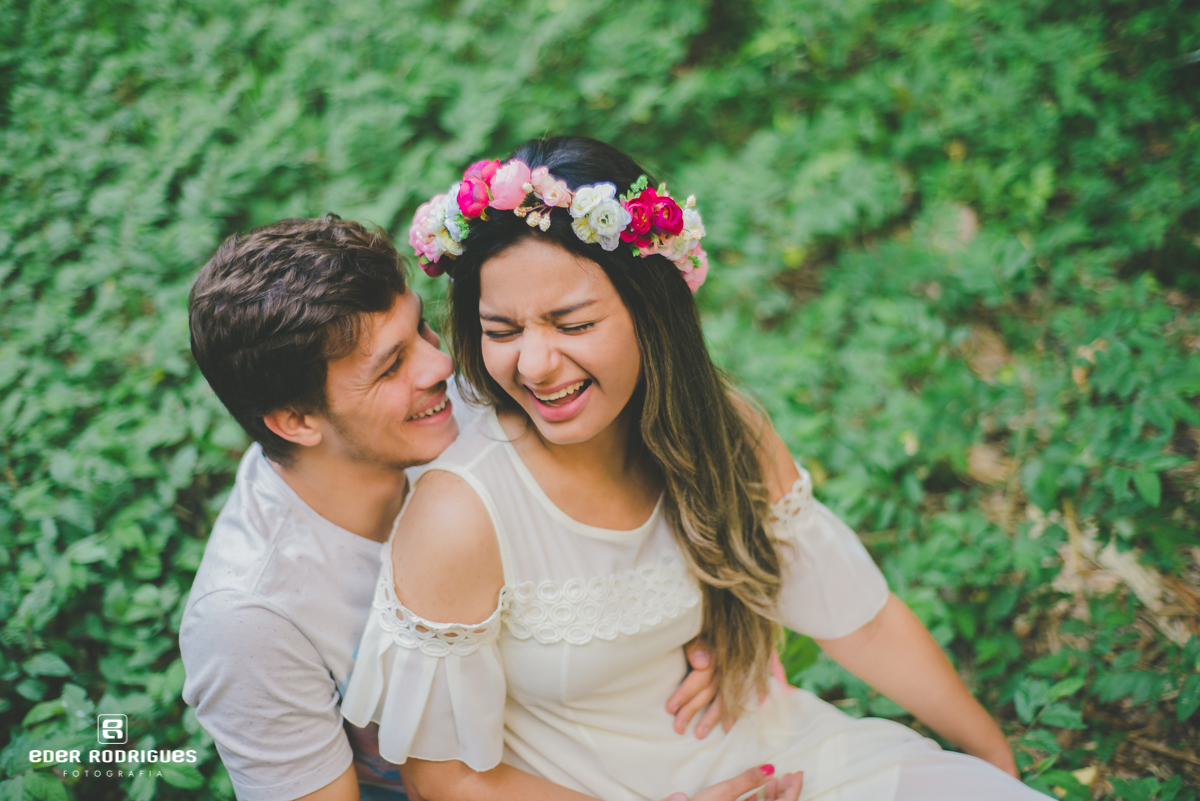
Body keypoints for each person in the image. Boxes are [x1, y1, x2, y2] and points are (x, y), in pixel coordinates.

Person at [341, 136, 1053, 800]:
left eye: (573, 323)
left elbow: (859, 623)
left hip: (778, 750)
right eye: (502, 331)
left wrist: (991, 758)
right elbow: (445, 779)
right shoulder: (461, 514)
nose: (534, 363)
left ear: (652, 313)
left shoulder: (725, 431)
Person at [180, 215, 782, 801]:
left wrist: (705, 620)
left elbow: (643, 492)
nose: (442, 366)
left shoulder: (469, 411)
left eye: (422, 330)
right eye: (391, 366)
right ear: (295, 420)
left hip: (640, 740)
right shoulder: (250, 620)